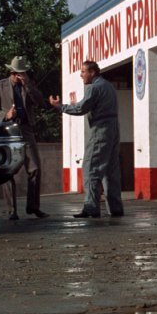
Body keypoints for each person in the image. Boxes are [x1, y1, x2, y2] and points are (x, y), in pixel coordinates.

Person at [49, 61, 124, 218]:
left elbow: (81, 108)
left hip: (100, 130)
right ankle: (116, 208)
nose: (81, 75)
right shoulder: (109, 86)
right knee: (111, 170)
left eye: (83, 71)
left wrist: (60, 107)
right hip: (114, 129)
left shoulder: (94, 88)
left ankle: (91, 207)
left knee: (91, 168)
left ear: (92, 73)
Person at [0, 56, 49, 220]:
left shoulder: (28, 84)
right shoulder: (0, 86)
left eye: (24, 73)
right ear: (12, 73)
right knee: (8, 171)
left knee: (35, 168)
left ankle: (33, 207)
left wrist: (28, 85)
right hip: (8, 130)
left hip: (26, 129)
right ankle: (11, 210)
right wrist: (5, 115)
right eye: (20, 73)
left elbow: (41, 102)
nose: (22, 76)